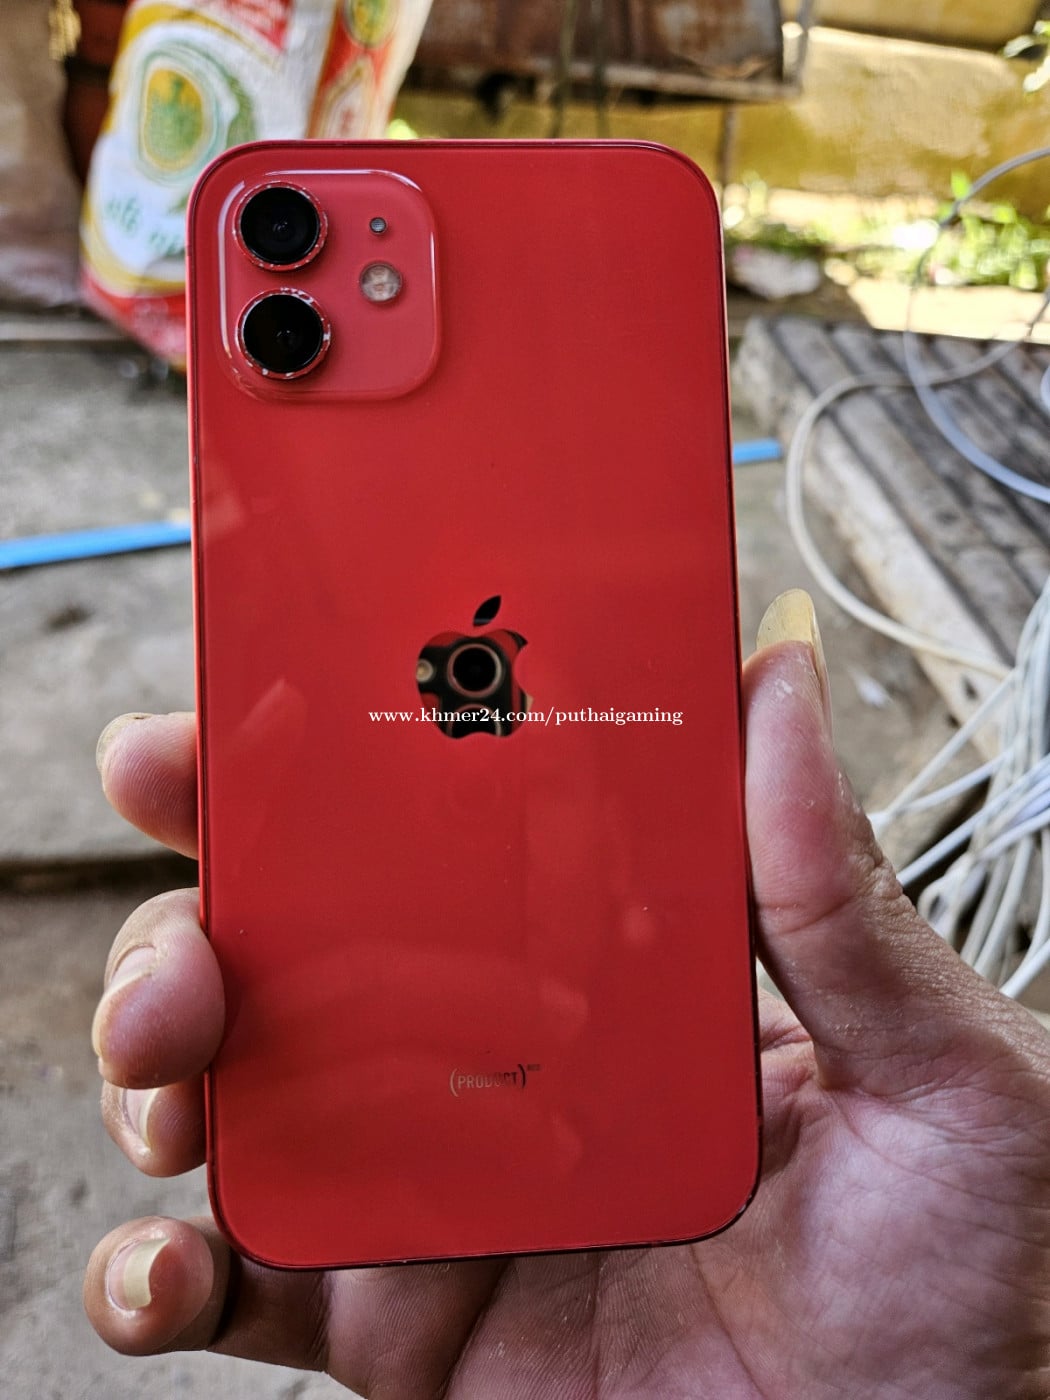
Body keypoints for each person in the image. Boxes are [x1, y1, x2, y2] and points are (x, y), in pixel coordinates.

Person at [83, 593, 1050, 1396]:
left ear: (620, 843)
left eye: (533, 779)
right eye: (441, 789)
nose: (487, 823)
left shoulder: (725, 1137)